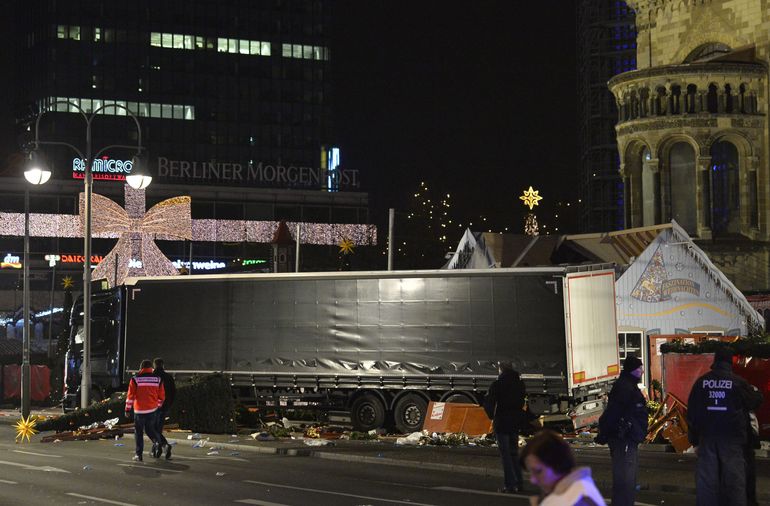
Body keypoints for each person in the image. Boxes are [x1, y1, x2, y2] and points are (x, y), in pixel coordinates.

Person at [687, 346, 763, 506]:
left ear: (715, 361)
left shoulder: (701, 383)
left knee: (707, 483)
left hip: (708, 439)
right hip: (732, 439)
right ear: (730, 362)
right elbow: (754, 401)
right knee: (734, 483)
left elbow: (692, 413)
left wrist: (694, 440)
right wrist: (757, 392)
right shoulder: (737, 382)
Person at [595, 355, 648, 506]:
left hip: (626, 436)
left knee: (625, 477)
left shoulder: (627, 385)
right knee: (625, 478)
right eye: (639, 368)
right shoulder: (626, 388)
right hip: (624, 438)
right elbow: (614, 413)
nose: (642, 371)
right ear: (632, 370)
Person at [521, 429, 606, 506]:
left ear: (558, 464)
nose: (533, 480)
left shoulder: (570, 500)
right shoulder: (581, 486)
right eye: (530, 472)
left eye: (538, 471)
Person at [483, 361, 527, 493]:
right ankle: (519, 483)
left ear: (501, 370)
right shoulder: (520, 384)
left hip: (502, 422)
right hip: (515, 422)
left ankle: (509, 485)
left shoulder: (497, 384)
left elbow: (489, 403)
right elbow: (521, 402)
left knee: (505, 455)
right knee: (514, 453)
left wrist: (492, 416)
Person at [125, 359, 165, 462]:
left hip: (139, 411)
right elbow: (161, 397)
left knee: (138, 433)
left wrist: (127, 409)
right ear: (151, 368)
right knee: (150, 429)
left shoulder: (135, 380)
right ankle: (157, 442)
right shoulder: (158, 379)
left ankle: (139, 455)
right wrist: (157, 406)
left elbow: (130, 397)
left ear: (141, 368)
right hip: (152, 410)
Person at [152, 357, 176, 460]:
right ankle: (157, 448)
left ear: (154, 365)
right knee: (158, 429)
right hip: (165, 407)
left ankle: (163, 445)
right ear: (163, 365)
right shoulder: (168, 377)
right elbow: (173, 392)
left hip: (153, 407)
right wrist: (169, 405)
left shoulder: (152, 377)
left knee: (152, 429)